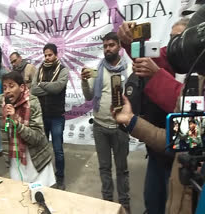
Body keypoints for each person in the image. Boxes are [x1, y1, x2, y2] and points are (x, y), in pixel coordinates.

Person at [117, 18, 189, 214]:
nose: (175, 46)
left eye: (181, 39)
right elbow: (184, 138)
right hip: (159, 155)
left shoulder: (196, 81)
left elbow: (185, 138)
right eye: (172, 39)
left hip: (185, 168)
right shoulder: (172, 58)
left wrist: (133, 122)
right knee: (154, 205)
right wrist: (131, 40)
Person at [0, 71, 55, 186]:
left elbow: (37, 137)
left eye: (11, 86)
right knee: (18, 195)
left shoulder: (33, 102)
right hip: (15, 160)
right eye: (4, 87)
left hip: (37, 160)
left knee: (42, 196)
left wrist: (16, 122)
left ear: (22, 87)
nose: (7, 91)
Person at [80, 32, 131, 212]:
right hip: (100, 127)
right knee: (104, 168)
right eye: (105, 46)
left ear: (119, 46)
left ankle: (125, 205)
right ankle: (108, 204)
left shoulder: (129, 69)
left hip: (120, 128)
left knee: (122, 169)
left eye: (111, 45)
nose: (107, 49)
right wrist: (84, 82)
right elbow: (88, 96)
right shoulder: (96, 70)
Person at [31, 43, 68, 190]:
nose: (47, 57)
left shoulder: (63, 70)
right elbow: (33, 89)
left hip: (57, 116)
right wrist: (50, 87)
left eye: (50, 55)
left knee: (58, 149)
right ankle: (45, 177)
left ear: (56, 55)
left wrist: (43, 85)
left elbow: (58, 87)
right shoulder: (39, 69)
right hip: (42, 116)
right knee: (42, 148)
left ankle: (60, 178)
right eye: (45, 55)